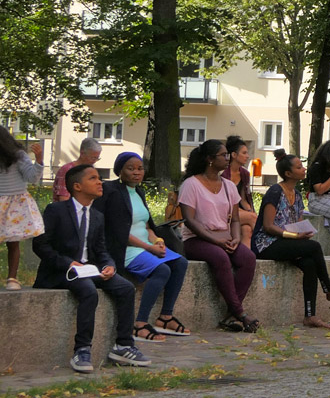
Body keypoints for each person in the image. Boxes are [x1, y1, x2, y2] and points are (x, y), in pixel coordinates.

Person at [33, 164, 151, 372]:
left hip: (89, 269)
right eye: (94, 178)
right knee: (88, 290)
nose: (100, 182)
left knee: (125, 288)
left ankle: (123, 345)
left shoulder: (97, 215)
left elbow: (101, 250)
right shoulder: (56, 210)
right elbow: (40, 245)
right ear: (77, 186)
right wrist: (68, 263)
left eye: (100, 178)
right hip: (62, 271)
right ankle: (82, 350)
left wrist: (109, 266)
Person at [97, 152, 189, 341]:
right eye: (130, 169)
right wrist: (149, 249)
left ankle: (165, 317)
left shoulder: (139, 192)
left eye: (140, 168)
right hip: (125, 248)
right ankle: (139, 324)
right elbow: (118, 231)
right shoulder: (112, 191)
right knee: (162, 270)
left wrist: (158, 241)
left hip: (146, 245)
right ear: (119, 171)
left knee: (180, 263)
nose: (136, 173)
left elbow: (146, 225)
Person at [251, 152, 330, 328]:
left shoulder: (296, 194)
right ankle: (329, 290)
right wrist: (295, 237)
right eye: (299, 167)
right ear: (288, 174)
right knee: (315, 247)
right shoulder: (275, 191)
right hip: (266, 243)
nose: (304, 169)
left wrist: (302, 233)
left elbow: (296, 222)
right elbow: (268, 226)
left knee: (310, 264)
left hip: (286, 242)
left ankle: (310, 315)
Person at [179, 139, 259, 332]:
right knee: (221, 258)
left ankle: (230, 316)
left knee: (248, 258)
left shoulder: (229, 186)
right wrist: (216, 240)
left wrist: (236, 238)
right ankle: (240, 313)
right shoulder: (191, 184)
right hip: (196, 239)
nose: (227, 158)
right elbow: (190, 220)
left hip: (225, 238)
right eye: (223, 155)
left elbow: (236, 220)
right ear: (209, 159)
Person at [1, 126, 43, 290]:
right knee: (12, 243)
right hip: (9, 202)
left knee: (13, 242)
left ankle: (12, 278)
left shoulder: (17, 156)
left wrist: (39, 161)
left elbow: (32, 177)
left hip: (14, 203)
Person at [221, 135, 257, 245]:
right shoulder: (223, 173)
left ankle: (248, 259)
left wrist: (250, 210)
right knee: (253, 218)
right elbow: (224, 202)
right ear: (234, 155)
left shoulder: (244, 173)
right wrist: (251, 214)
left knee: (247, 230)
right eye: (244, 153)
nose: (247, 156)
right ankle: (265, 246)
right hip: (225, 211)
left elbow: (243, 199)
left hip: (238, 211)